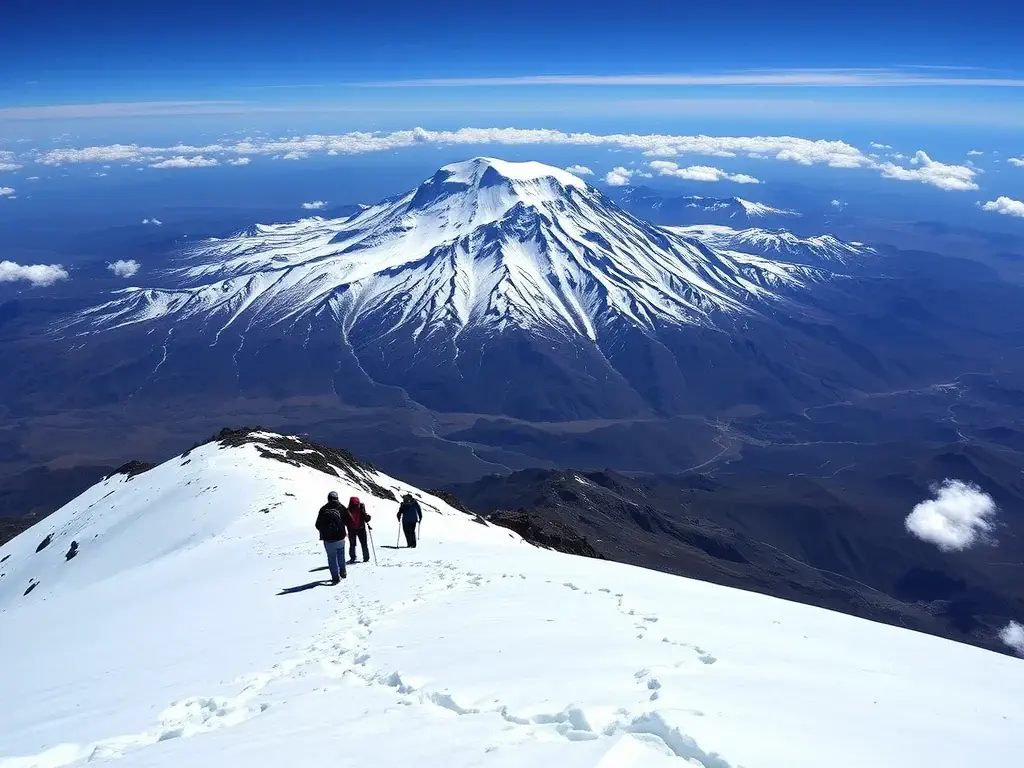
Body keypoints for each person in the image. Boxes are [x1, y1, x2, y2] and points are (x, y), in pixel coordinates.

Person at [315, 491, 347, 583]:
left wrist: (325, 530)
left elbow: (317, 525)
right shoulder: (341, 508)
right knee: (341, 554)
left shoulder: (323, 509)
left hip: (328, 539)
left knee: (332, 557)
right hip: (340, 537)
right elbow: (347, 520)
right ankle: (343, 571)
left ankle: (335, 577)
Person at [345, 495, 372, 564]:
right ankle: (366, 557)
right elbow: (367, 519)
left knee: (352, 544)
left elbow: (345, 521)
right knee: (364, 543)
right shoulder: (361, 508)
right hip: (361, 528)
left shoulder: (348, 510)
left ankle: (353, 557)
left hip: (351, 529)